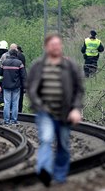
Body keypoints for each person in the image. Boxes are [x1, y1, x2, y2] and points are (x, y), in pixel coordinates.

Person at [27, 34, 84, 187]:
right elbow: (31, 89)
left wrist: (76, 109)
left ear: (61, 46)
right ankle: (44, 170)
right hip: (45, 111)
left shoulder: (70, 66)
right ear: (46, 47)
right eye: (52, 44)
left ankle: (59, 176)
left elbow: (79, 90)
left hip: (65, 113)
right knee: (46, 139)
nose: (55, 47)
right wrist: (38, 104)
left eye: (58, 44)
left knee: (63, 145)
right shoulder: (38, 65)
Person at [0, 49, 26, 125]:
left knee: (7, 103)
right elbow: (23, 75)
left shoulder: (4, 62)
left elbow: (0, 73)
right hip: (16, 86)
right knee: (15, 103)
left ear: (9, 54)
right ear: (16, 54)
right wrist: (24, 87)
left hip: (6, 85)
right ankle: (14, 120)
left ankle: (6, 120)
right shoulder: (19, 63)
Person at [0, 40, 8, 110]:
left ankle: (1, 106)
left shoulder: (0, 57)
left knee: (0, 93)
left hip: (1, 79)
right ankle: (3, 106)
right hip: (8, 78)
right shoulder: (9, 55)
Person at [17, 45, 26, 113]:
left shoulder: (14, 56)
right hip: (21, 79)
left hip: (15, 79)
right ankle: (20, 111)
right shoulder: (22, 56)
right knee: (20, 98)